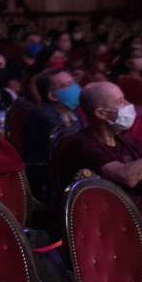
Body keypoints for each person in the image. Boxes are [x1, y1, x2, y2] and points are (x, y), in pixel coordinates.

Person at [59, 82, 142, 253]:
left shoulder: (127, 142)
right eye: (120, 101)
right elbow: (128, 176)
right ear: (100, 113)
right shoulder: (82, 145)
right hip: (113, 236)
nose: (128, 105)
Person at [24, 68, 84, 196]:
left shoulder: (73, 112)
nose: (74, 88)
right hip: (47, 177)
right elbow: (65, 140)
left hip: (70, 167)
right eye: (67, 85)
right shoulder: (41, 113)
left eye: (73, 83)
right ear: (52, 95)